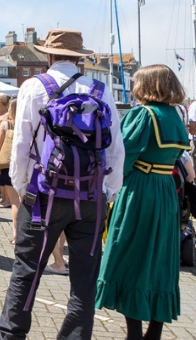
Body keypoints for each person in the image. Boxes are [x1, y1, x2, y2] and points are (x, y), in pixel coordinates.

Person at [0, 29, 124, 339]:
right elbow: (115, 148)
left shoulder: (34, 87)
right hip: (90, 196)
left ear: (49, 56)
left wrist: (24, 187)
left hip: (43, 196)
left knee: (26, 272)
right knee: (84, 280)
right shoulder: (100, 90)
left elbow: (22, 145)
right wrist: (108, 192)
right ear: (79, 57)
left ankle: (12, 335)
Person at [96, 64, 189, 340]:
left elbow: (121, 158)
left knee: (129, 255)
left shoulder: (143, 114)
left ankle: (134, 333)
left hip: (140, 190)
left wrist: (105, 188)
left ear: (147, 85)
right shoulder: (176, 115)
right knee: (160, 259)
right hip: (165, 191)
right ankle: (154, 332)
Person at [0, 98, 20, 245]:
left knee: (15, 203)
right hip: (28, 167)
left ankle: (16, 235)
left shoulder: (6, 124)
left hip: (9, 166)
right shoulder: (31, 124)